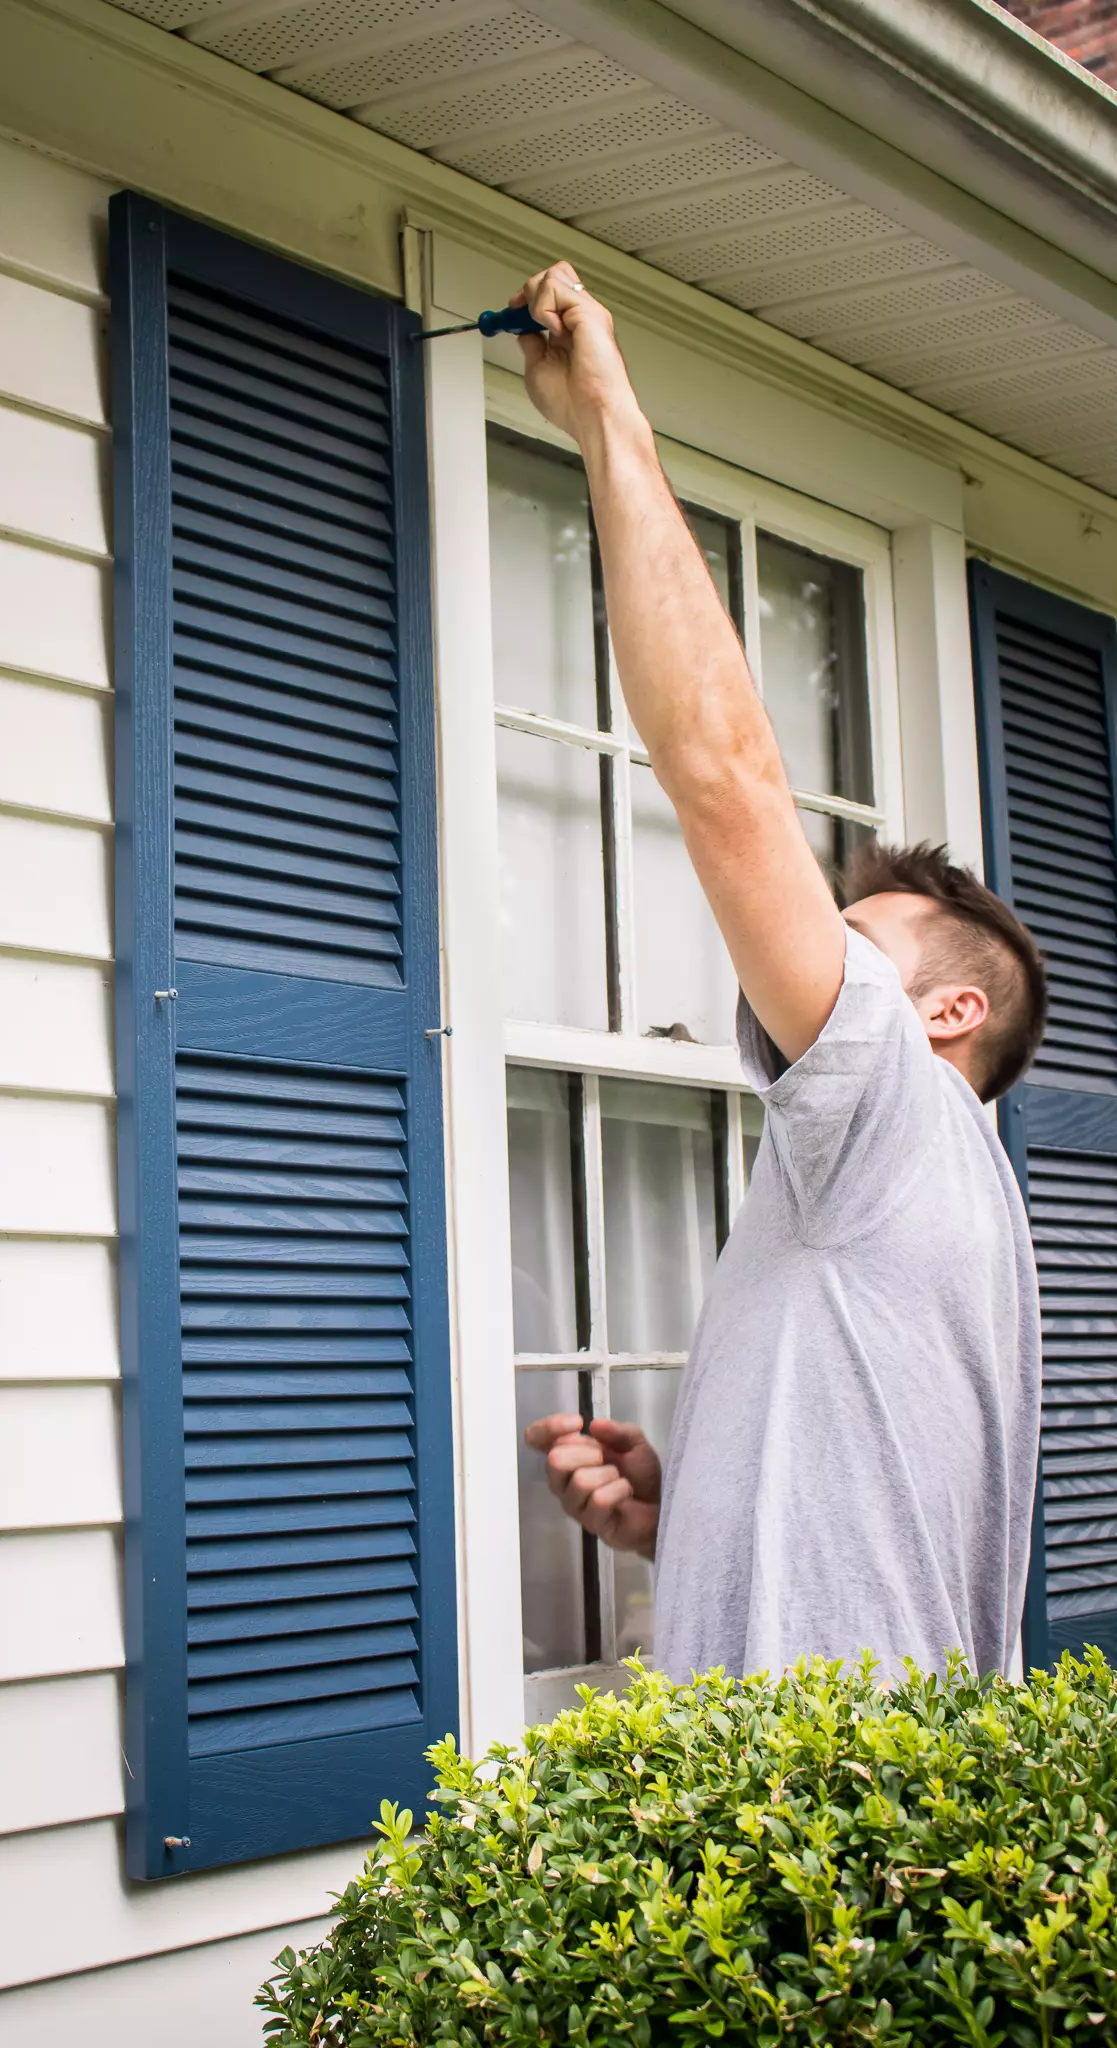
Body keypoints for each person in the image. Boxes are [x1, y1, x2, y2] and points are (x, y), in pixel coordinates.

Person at [518, 261, 1046, 1682]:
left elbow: (730, 781)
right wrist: (671, 1520)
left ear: (947, 1014)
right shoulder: (926, 1203)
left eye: (854, 951)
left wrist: (607, 418)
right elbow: (878, 1554)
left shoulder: (897, 1111)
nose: (801, 969)